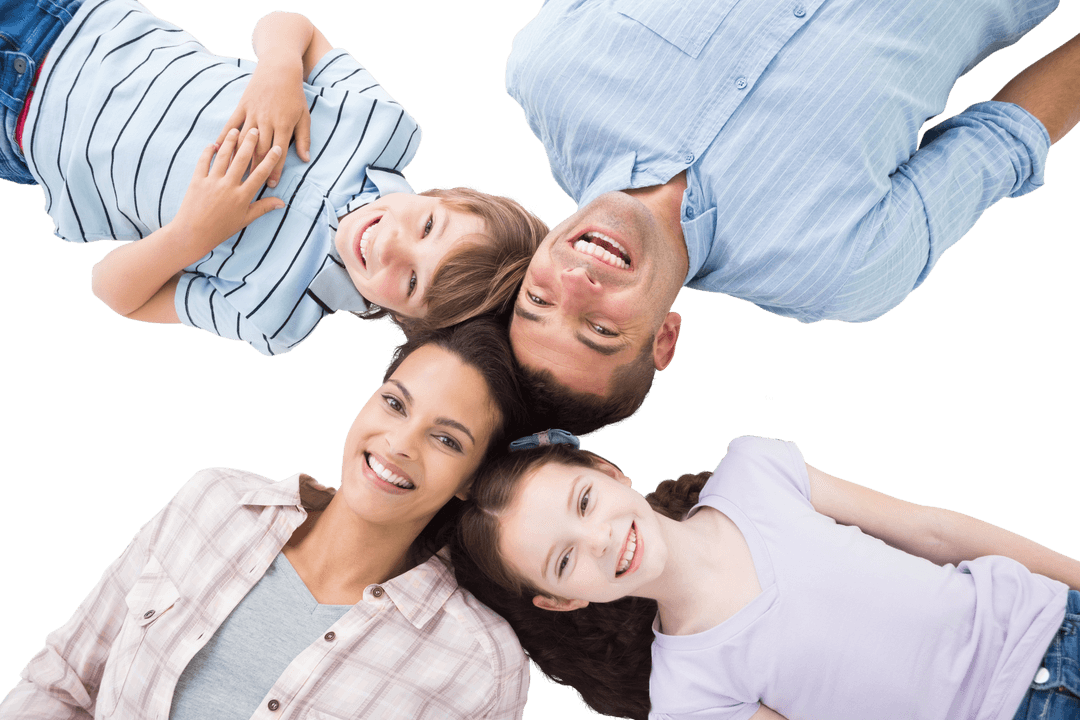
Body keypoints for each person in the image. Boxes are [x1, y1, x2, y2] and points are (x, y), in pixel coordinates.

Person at [503, 0, 1080, 434]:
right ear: (665, 340)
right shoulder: (841, 269)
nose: (578, 286)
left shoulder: (549, 69)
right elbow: (1008, 137)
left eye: (539, 301)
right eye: (601, 330)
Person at [0, 318, 534, 719]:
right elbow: (64, 682)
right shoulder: (217, 504)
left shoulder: (478, 662)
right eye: (395, 404)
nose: (399, 445)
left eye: (446, 439)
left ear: (472, 478)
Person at [0, 0, 547, 356]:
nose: (390, 245)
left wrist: (190, 236)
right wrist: (280, 69)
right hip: (69, 22)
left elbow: (114, 292)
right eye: (428, 227)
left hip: (21, 135)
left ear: (409, 323)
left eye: (410, 282)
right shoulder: (379, 126)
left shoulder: (273, 313)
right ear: (447, 198)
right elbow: (290, 25)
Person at [453, 434, 1080, 720]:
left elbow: (931, 531)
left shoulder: (754, 471)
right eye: (564, 561)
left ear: (609, 470)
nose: (601, 539)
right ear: (562, 601)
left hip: (1056, 627)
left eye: (584, 501)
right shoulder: (689, 698)